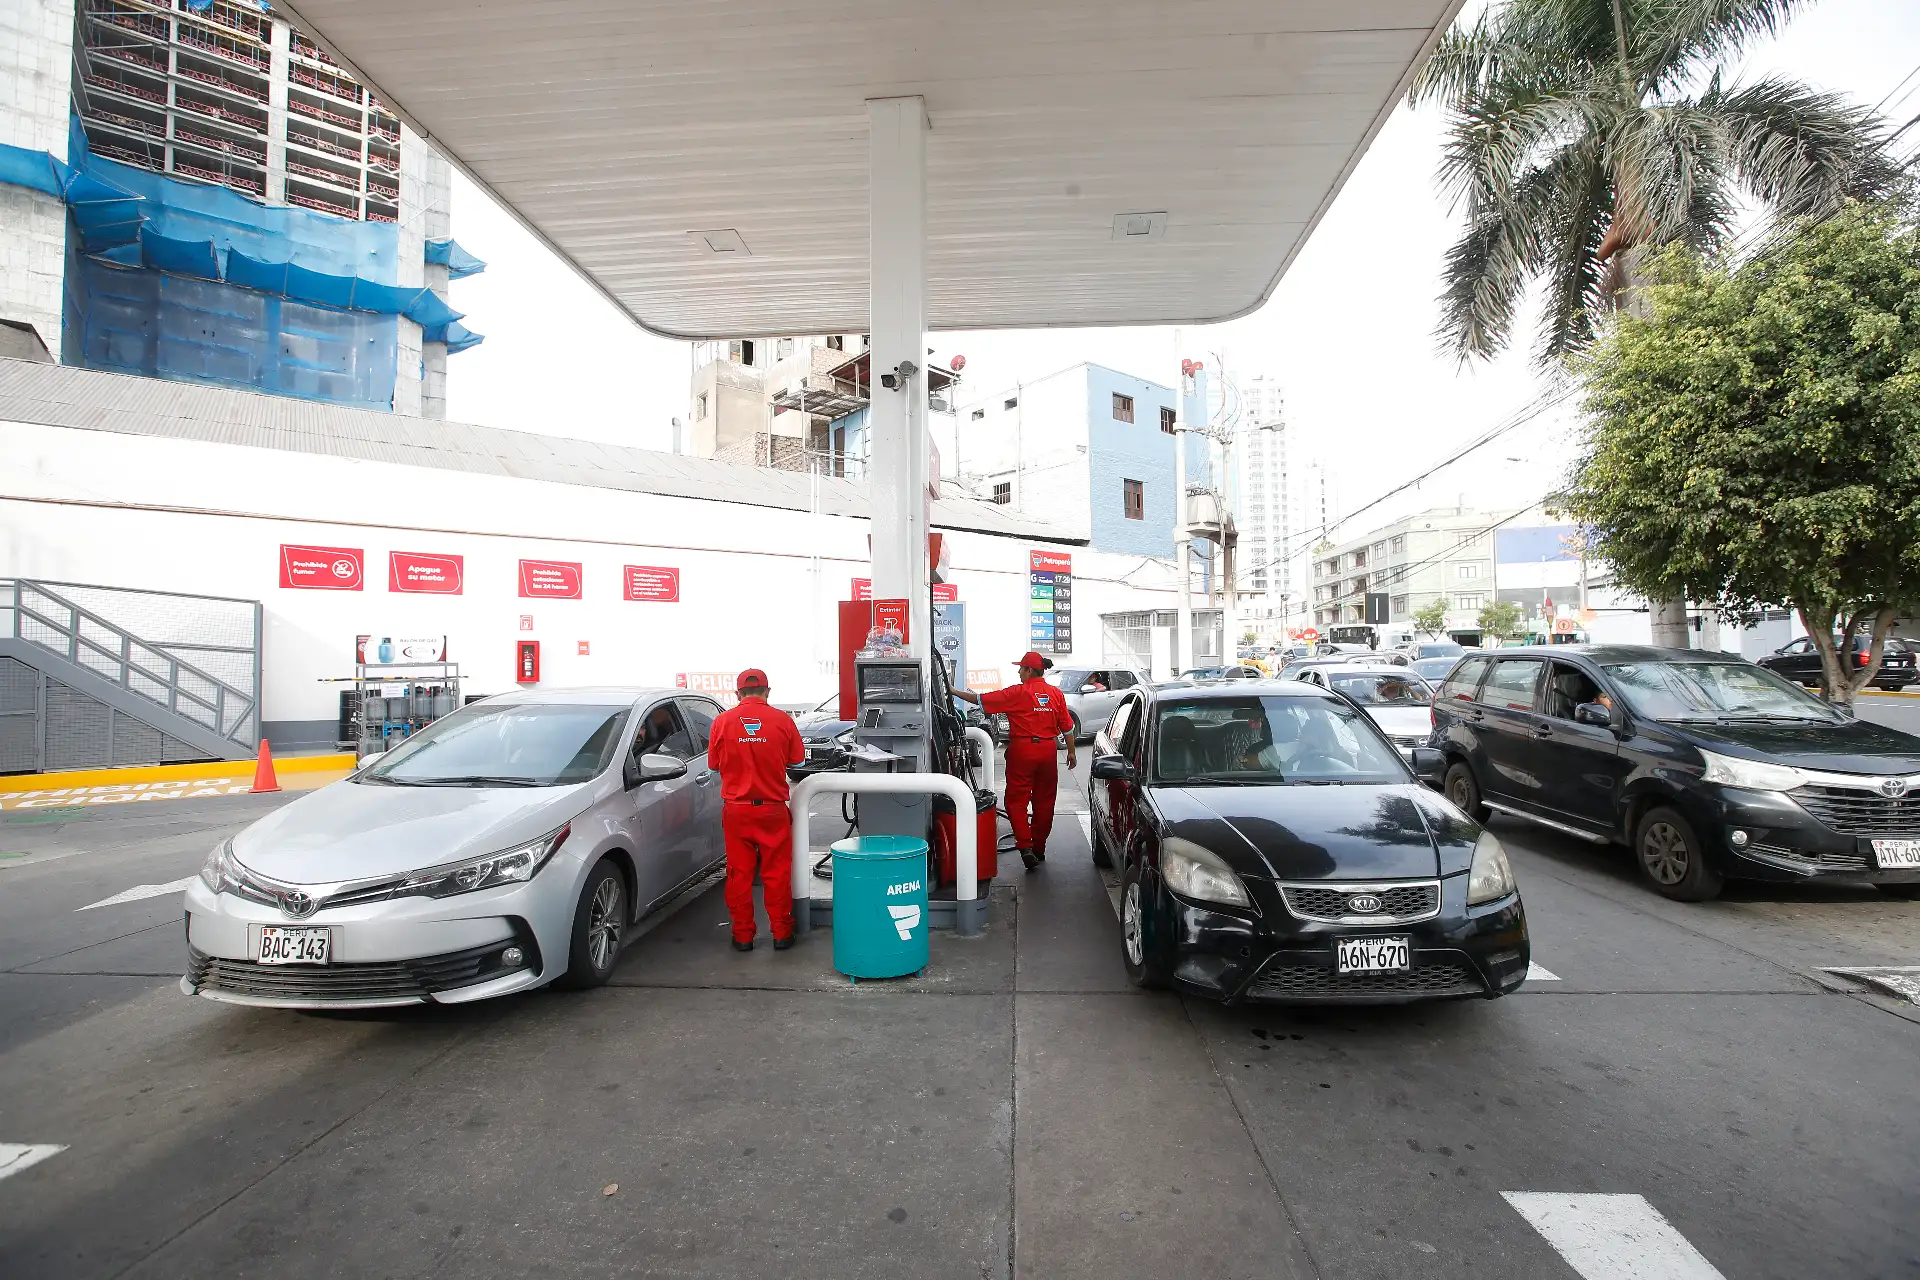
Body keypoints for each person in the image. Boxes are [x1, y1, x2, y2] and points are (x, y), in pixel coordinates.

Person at [706, 669, 806, 952]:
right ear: (768, 691)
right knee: (776, 873)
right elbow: (797, 761)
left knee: (739, 875)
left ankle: (743, 936)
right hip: (772, 811)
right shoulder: (783, 721)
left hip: (737, 811)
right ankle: (782, 934)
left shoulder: (722, 722)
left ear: (737, 694)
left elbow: (713, 765)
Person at [954, 651, 1076, 870]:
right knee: (1045, 801)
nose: (1019, 672)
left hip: (1023, 749)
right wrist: (1071, 752)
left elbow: (980, 700)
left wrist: (952, 691)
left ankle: (1025, 845)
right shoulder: (1056, 694)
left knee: (1016, 800)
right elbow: (1067, 727)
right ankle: (1039, 848)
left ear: (1029, 670)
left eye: (1021, 668)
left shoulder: (1018, 692)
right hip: (1048, 750)